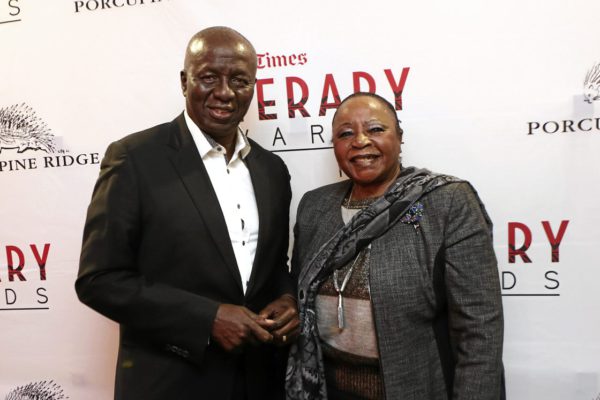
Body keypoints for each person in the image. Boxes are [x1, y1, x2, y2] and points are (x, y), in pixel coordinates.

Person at [76, 26, 299, 400]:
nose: (225, 92)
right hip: (171, 383)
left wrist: (287, 299)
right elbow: (99, 279)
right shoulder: (135, 158)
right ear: (185, 81)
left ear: (253, 87)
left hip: (260, 381)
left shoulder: (271, 169)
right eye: (209, 77)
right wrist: (206, 317)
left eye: (240, 80)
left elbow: (273, 267)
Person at [286, 92, 505, 400]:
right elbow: (297, 291)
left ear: (400, 137)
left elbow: (480, 328)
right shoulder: (314, 206)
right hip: (327, 389)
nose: (360, 141)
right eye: (345, 133)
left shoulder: (447, 201)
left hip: (416, 387)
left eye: (376, 129)